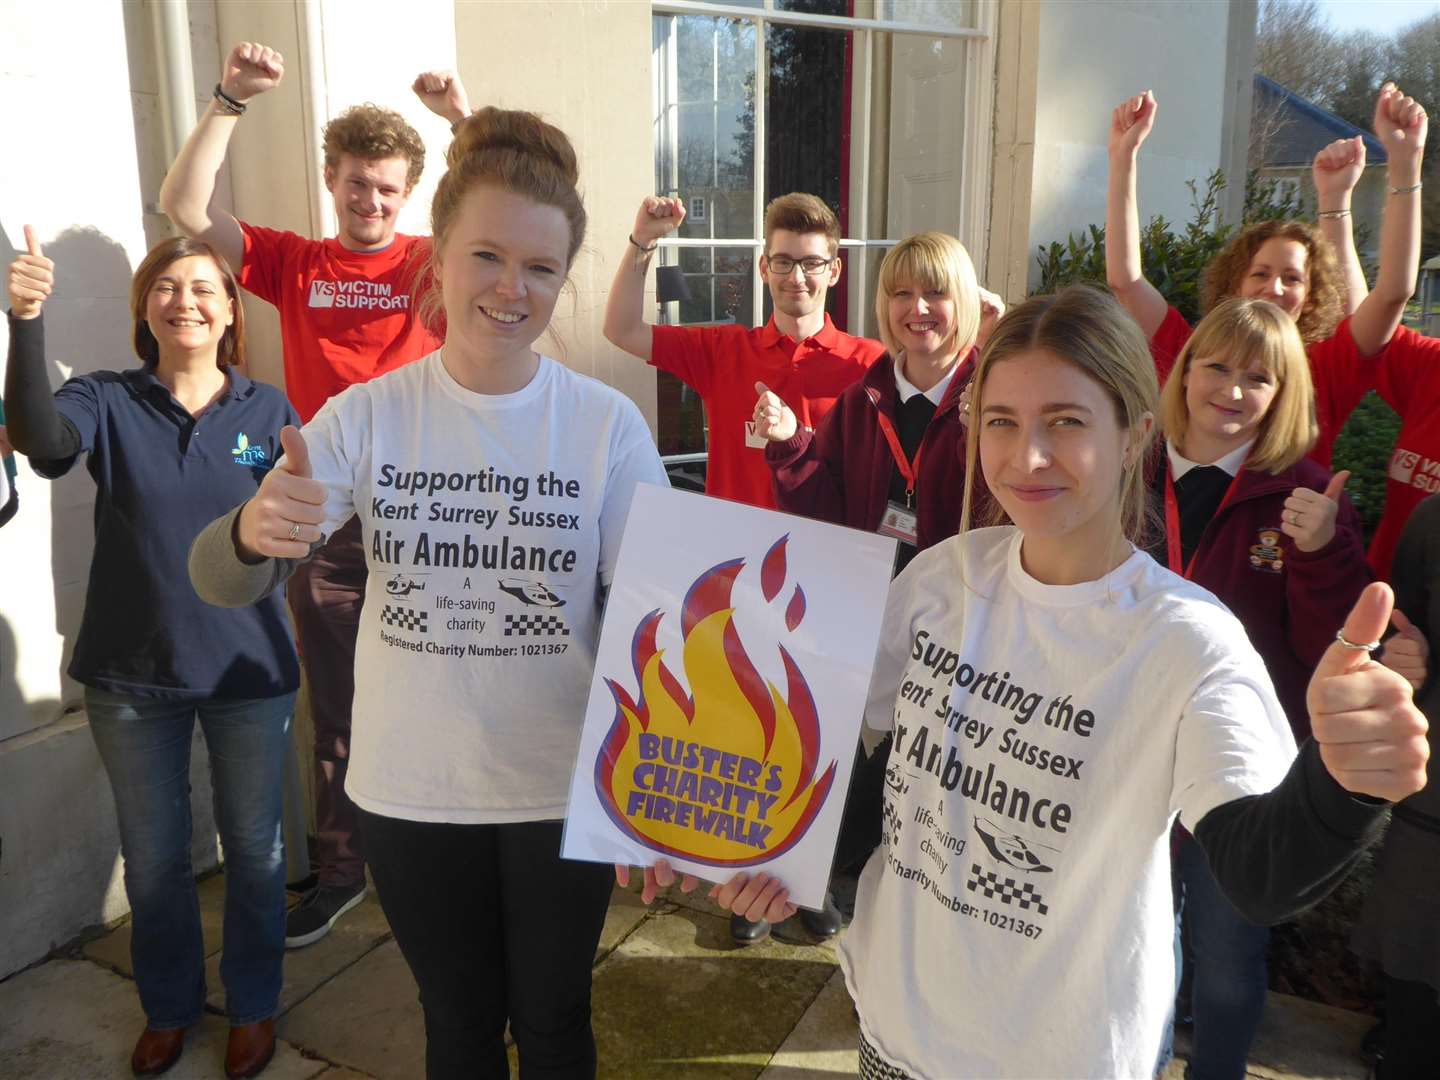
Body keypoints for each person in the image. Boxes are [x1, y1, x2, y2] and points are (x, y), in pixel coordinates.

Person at [689, 286, 1426, 1079]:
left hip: (1060, 1055)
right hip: (892, 1030)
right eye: (1001, 421)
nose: (1025, 457)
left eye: (1066, 422)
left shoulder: (1190, 641)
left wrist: (1343, 786)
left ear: (1136, 432)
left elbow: (1259, 874)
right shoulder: (944, 578)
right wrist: (769, 855)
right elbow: (878, 767)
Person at [189, 106, 669, 1080]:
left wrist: (651, 797)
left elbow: (651, 619)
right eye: (486, 256)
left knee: (555, 1023)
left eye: (540, 269)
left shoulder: (605, 427)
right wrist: (252, 529)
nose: (511, 287)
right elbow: (220, 571)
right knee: (456, 1025)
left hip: (560, 791)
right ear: (434, 259)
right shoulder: (370, 415)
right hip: (412, 793)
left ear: (563, 280)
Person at [159, 42, 469, 946]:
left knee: (445, 691)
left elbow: (509, 201)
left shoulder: (432, 262)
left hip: (428, 519)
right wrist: (230, 99)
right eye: (356, 186)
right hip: (325, 519)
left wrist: (461, 119)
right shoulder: (293, 262)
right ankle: (344, 868)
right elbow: (183, 207)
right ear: (331, 181)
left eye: (387, 189)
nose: (371, 203)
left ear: (408, 193)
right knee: (335, 705)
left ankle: (445, 858)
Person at [5, 230, 299, 1079]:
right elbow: (41, 441)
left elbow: (297, 513)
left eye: (203, 287)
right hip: (135, 675)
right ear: (145, 308)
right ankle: (169, 1008)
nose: (185, 301)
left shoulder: (265, 413)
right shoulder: (107, 399)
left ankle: (253, 1004)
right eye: (166, 287)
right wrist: (26, 322)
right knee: (157, 860)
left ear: (230, 310)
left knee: (257, 852)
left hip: (250, 673)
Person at [1151, 297, 1372, 1080]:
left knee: (1225, 953)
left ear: (1285, 395)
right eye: (1216, 366)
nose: (1233, 390)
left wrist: (1319, 555)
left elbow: (1330, 654)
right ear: (1184, 371)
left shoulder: (1307, 500)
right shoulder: (1128, 463)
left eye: (1259, 377)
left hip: (1237, 772)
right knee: (1138, 943)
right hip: (1130, 748)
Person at [1105, 84, 1427, 468]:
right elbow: (1125, 280)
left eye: (1293, 278)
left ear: (1313, 295)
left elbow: (1392, 291)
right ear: (1235, 281)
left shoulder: (1325, 369)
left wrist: (1405, 162)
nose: (1273, 288)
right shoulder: (1194, 350)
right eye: (1260, 273)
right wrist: (1123, 156)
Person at [603, 191, 886, 511]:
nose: (796, 277)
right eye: (783, 262)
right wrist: (643, 240)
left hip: (828, 552)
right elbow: (621, 329)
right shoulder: (722, 352)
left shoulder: (871, 364)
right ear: (764, 268)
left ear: (833, 271)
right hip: (734, 554)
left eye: (811, 263)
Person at [1352, 495, 1440, 1080]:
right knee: (1414, 995)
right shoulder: (1433, 522)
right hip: (1431, 819)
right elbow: (1400, 639)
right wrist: (1406, 662)